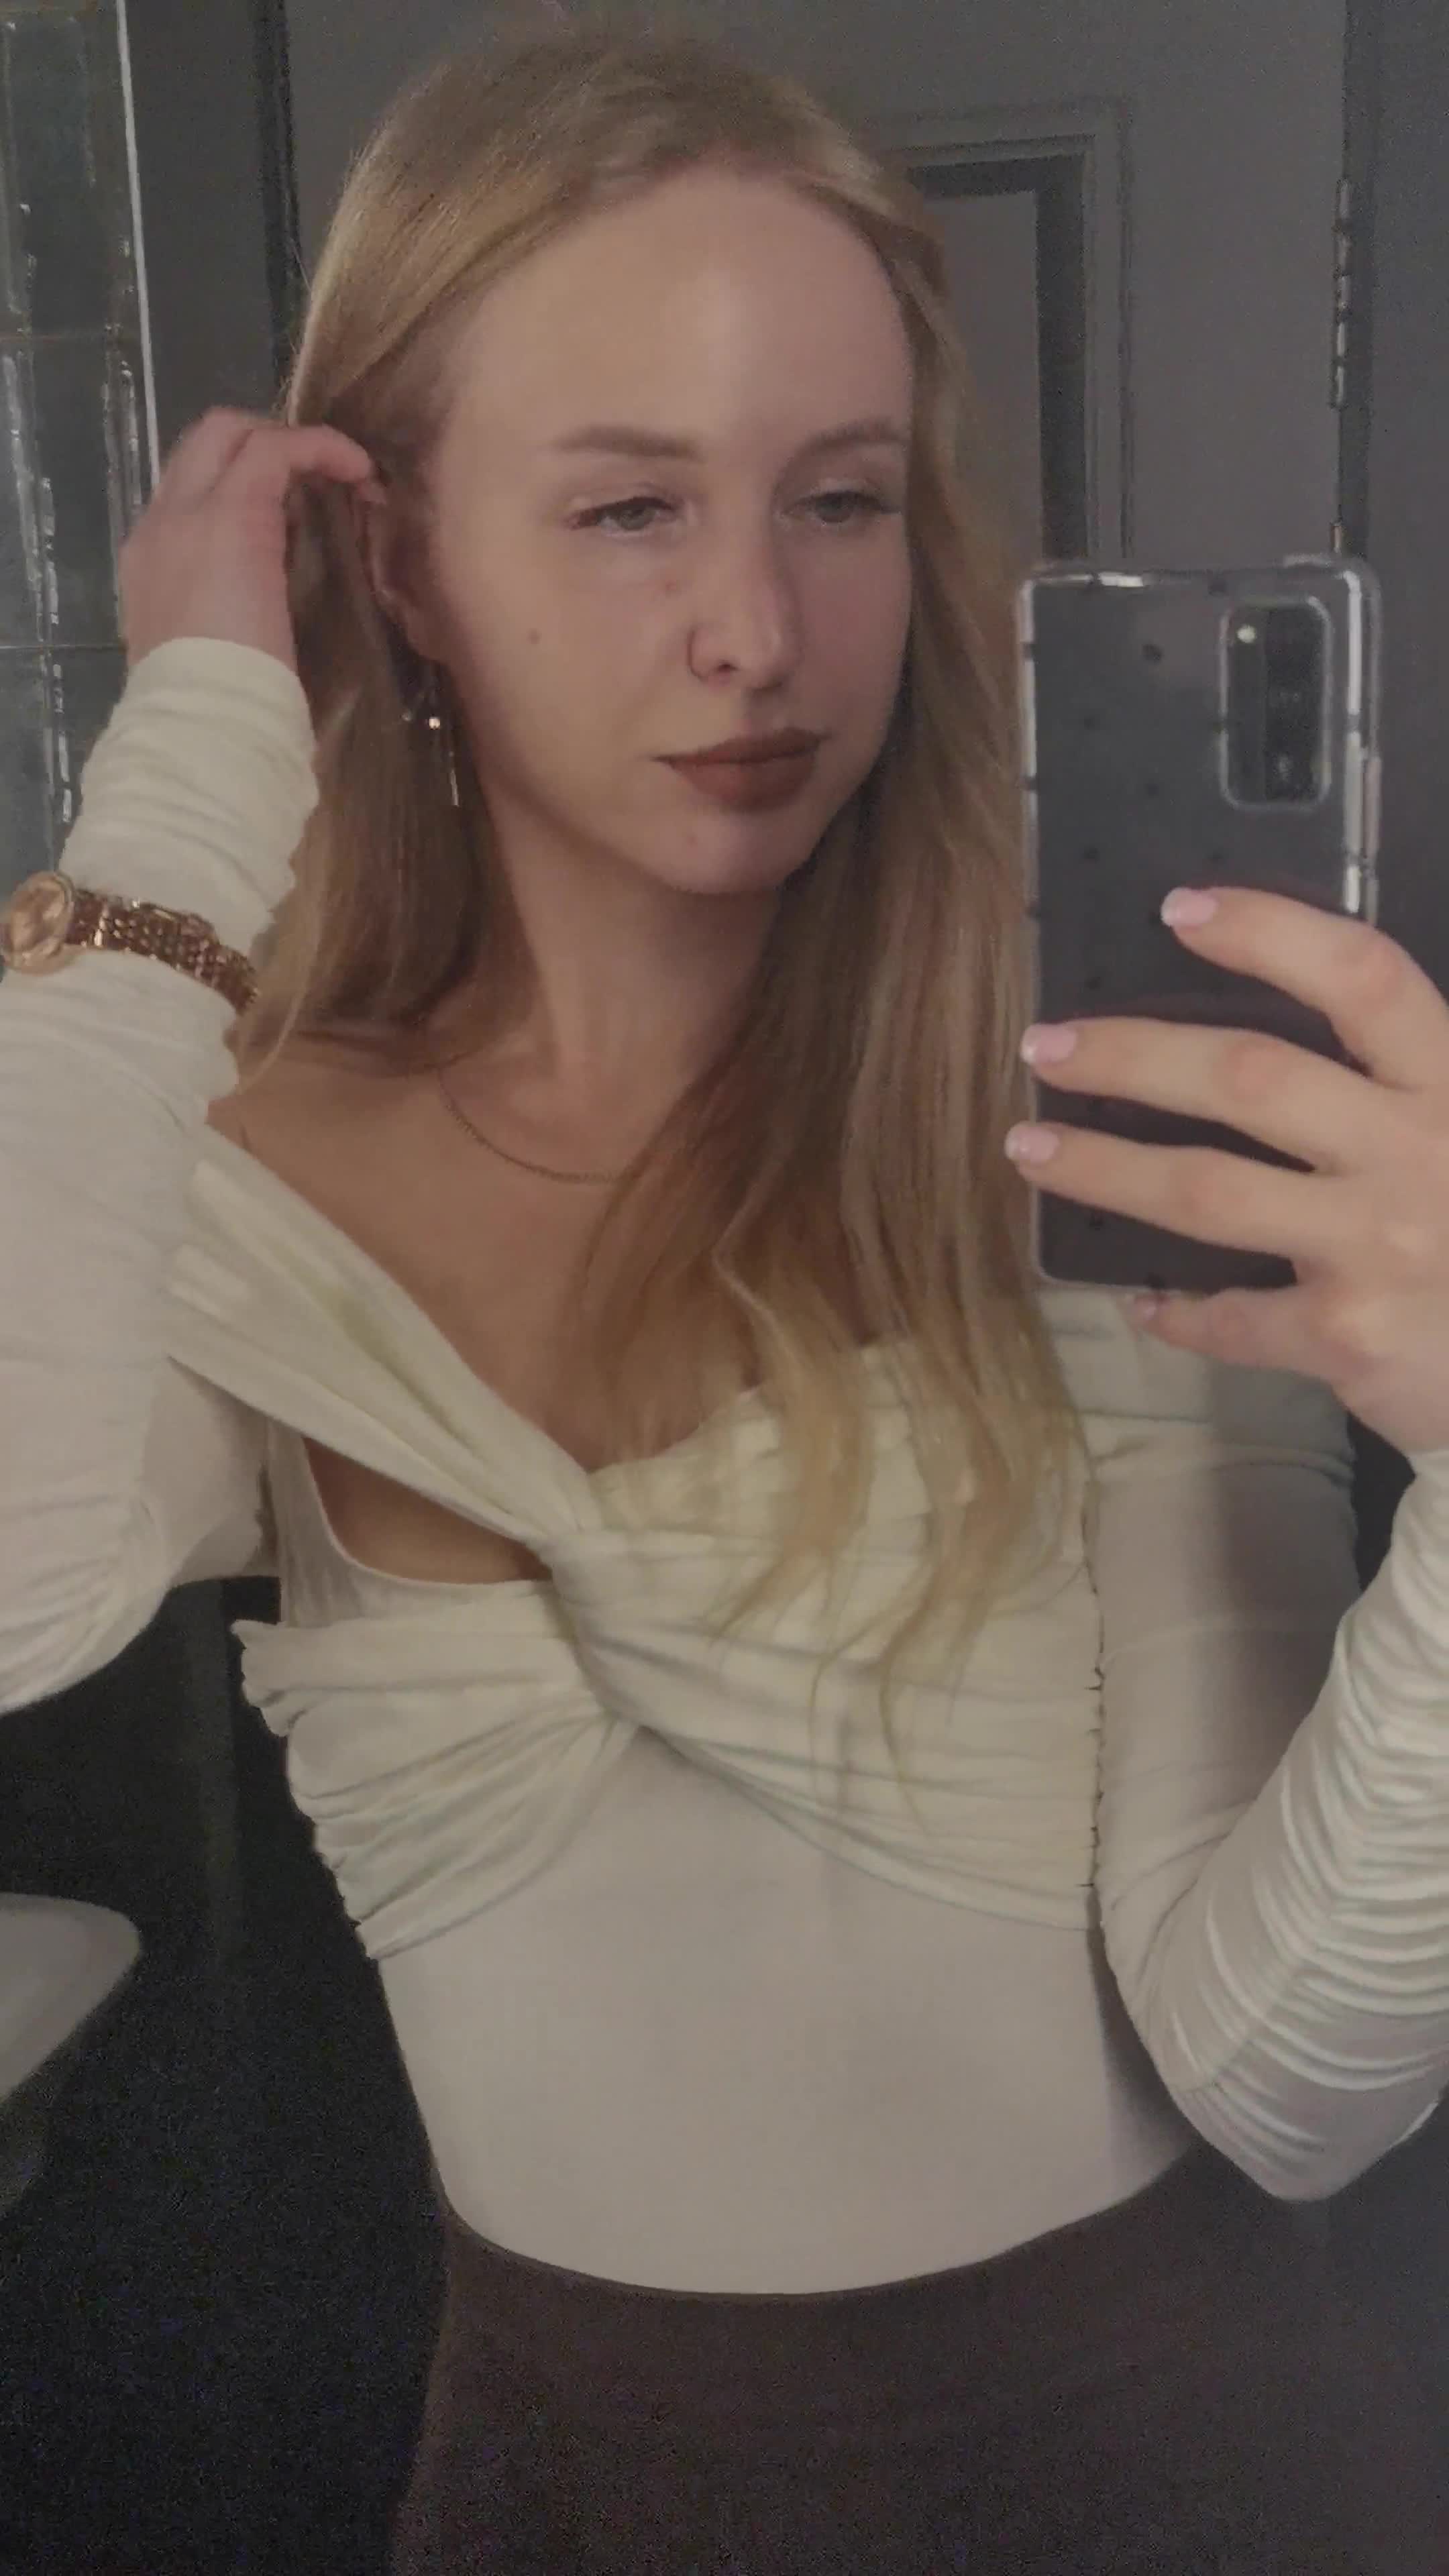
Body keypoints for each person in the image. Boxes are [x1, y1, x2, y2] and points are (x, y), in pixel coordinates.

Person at [3, 23, 1449, 2573]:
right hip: (568, 2483)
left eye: (840, 500)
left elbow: (1289, 2080)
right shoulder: (231, 1177)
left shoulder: (1089, 1124)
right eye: (630, 509)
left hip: (1181, 2473)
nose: (756, 634)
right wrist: (197, 753)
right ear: (398, 563)